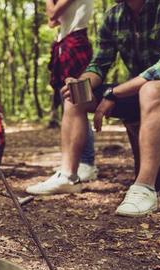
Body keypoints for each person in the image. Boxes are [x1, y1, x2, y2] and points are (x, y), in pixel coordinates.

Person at [26, 0, 160, 217]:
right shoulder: (114, 17)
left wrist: (114, 93)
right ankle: (68, 176)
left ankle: (144, 188)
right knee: (76, 94)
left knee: (152, 90)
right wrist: (80, 83)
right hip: (140, 90)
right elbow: (99, 64)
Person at [46, 0, 98, 181]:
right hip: (64, 43)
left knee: (78, 99)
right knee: (68, 98)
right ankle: (73, 162)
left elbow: (52, 14)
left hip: (76, 43)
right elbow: (52, 22)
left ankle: (87, 162)